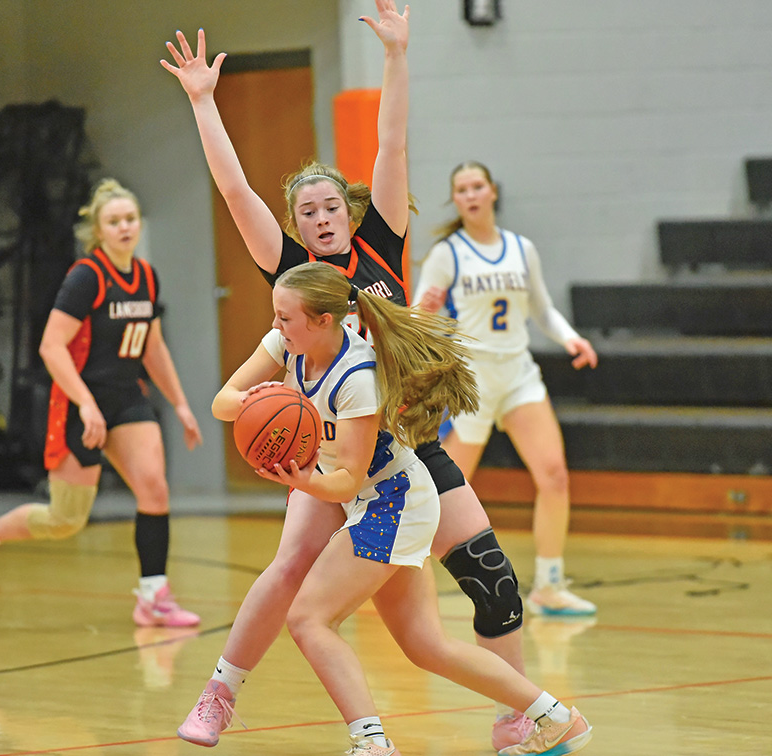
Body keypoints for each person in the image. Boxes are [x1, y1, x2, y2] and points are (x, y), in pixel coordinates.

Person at [163, 2, 535, 749]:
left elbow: (392, 144)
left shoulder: (380, 246)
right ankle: (220, 695)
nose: (323, 217)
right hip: (332, 452)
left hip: (408, 451)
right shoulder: (292, 272)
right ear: (296, 225)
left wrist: (396, 55)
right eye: (308, 211)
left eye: (331, 205)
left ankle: (518, 718)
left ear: (348, 208)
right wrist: (205, 101)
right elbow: (235, 192)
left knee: (493, 577)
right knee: (289, 568)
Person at [211, 262, 593, 756]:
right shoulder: (288, 345)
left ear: (323, 320)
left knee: (308, 619)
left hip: (393, 502)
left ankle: (372, 743)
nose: (275, 324)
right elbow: (223, 403)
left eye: (284, 317)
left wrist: (303, 480)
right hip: (380, 501)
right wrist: (257, 398)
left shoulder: (356, 376)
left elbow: (347, 480)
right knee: (425, 645)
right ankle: (557, 717)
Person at [0, 178, 203, 627]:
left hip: (127, 400)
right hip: (80, 402)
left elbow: (152, 347)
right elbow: (51, 346)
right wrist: (86, 404)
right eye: (114, 221)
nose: (124, 227)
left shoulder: (146, 277)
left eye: (130, 219)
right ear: (98, 231)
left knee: (154, 488)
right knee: (65, 519)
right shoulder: (87, 277)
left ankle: (153, 597)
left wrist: (179, 403)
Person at [413, 161, 599, 617]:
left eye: (477, 186)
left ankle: (549, 585)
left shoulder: (521, 248)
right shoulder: (447, 254)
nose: (471, 195)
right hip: (471, 380)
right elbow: (415, 322)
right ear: (455, 200)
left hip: (518, 374)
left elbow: (542, 308)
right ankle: (406, 583)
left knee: (554, 475)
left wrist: (571, 338)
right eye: (461, 189)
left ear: (492, 191)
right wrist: (426, 310)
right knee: (442, 492)